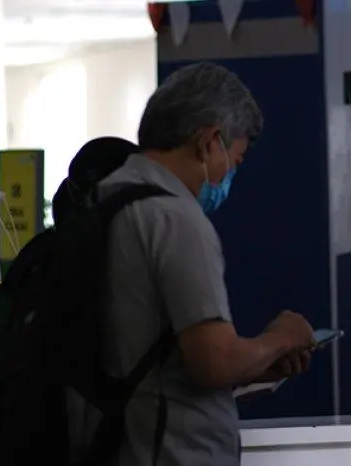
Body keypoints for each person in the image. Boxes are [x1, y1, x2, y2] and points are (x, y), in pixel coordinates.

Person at [72, 62, 316, 465]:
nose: (230, 176)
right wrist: (282, 338)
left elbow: (150, 355)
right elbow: (213, 363)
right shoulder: (175, 219)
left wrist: (254, 364)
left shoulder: (107, 198)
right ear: (209, 141)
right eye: (235, 160)